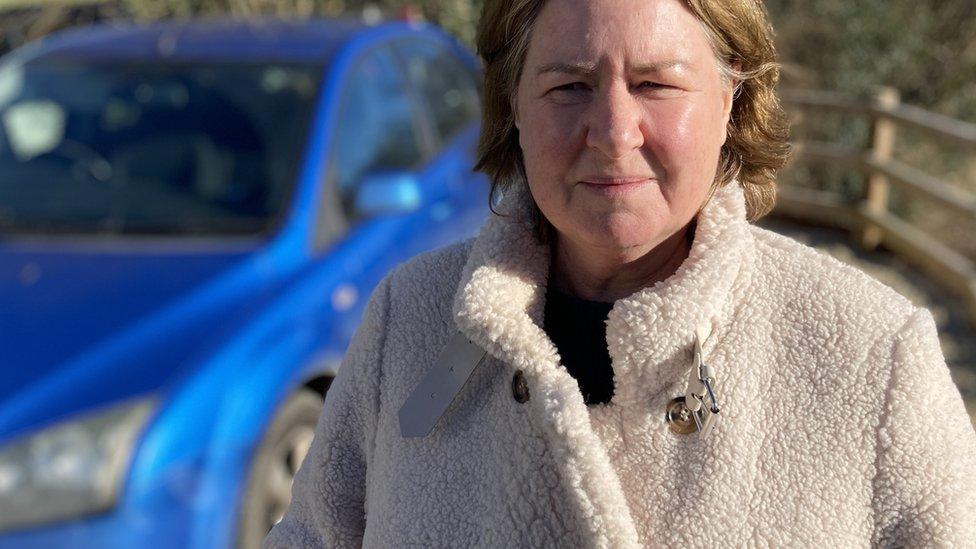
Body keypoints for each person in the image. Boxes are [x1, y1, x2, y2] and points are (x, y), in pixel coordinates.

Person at [265, 0, 976, 546]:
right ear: (513, 104)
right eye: (569, 85)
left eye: (656, 84)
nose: (612, 130)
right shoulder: (410, 320)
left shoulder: (872, 353)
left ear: (730, 101)